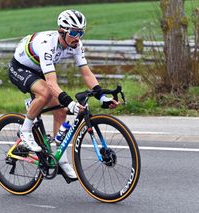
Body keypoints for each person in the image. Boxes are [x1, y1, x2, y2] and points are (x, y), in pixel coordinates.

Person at [8, 9, 118, 180]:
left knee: (60, 111)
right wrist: (70, 103)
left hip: (39, 70)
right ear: (62, 31)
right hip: (21, 68)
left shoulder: (76, 45)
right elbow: (51, 83)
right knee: (45, 93)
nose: (78, 37)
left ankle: (61, 159)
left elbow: (86, 73)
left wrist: (101, 96)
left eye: (81, 32)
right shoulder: (48, 44)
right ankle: (25, 130)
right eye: (74, 32)